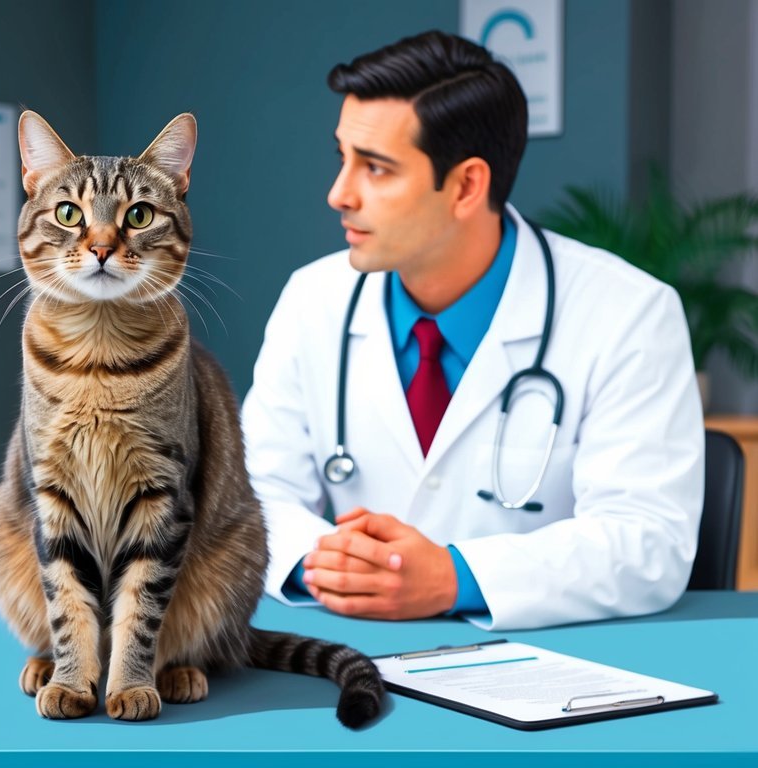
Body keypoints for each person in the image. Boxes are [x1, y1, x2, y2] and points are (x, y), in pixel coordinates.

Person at [241, 31, 703, 631]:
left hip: (552, 678)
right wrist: (325, 563)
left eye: (376, 169)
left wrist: (452, 577)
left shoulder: (629, 314)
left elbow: (648, 542)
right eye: (342, 157)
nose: (339, 194)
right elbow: (248, 494)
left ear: (465, 186)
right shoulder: (314, 299)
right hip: (354, 654)